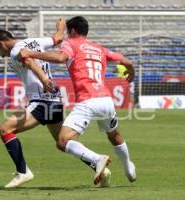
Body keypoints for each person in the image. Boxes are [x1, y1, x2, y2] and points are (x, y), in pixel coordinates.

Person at [0, 19, 110, 188]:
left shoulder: (15, 50)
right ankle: (99, 165)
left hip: (41, 100)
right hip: (54, 100)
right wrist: (61, 26)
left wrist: (43, 78)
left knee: (5, 129)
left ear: (2, 44)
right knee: (63, 143)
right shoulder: (36, 41)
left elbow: (29, 62)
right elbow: (58, 38)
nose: (0, 55)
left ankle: (23, 171)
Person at [20, 16, 137, 183]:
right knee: (114, 135)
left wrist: (30, 53)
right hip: (106, 100)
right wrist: (131, 72)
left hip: (87, 101)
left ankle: (97, 159)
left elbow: (61, 57)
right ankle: (128, 168)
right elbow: (126, 61)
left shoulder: (71, 43)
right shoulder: (98, 48)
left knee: (62, 141)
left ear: (73, 31)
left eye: (68, 31)